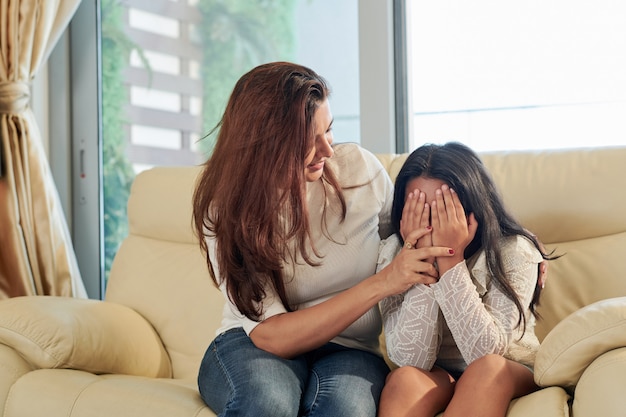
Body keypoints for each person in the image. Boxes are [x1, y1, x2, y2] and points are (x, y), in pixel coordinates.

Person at [191, 62, 457, 417]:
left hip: (350, 350)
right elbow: (272, 336)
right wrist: (383, 283)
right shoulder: (227, 209)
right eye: (308, 141)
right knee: (266, 404)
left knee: (343, 411)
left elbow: (419, 238)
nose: (328, 150)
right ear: (263, 145)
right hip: (252, 346)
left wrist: (513, 244)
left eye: (328, 131)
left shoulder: (359, 172)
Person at [376, 142, 558, 417]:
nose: (431, 222)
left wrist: (451, 261)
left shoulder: (514, 250)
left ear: (473, 205)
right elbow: (410, 359)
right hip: (439, 373)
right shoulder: (393, 253)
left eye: (443, 209)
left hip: (509, 365)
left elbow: (485, 352)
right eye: (418, 209)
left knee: (487, 369)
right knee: (404, 380)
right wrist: (425, 260)